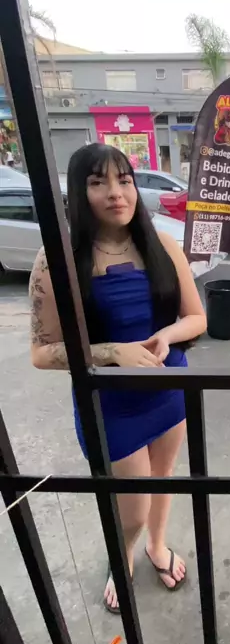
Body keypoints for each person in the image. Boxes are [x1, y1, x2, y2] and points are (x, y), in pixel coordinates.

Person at [29, 143, 206, 614]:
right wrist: (112, 353)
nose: (115, 192)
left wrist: (167, 335)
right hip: (110, 405)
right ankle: (123, 554)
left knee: (163, 480)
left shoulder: (162, 244)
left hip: (168, 387)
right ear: (78, 191)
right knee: (132, 508)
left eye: (124, 180)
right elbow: (41, 352)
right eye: (98, 182)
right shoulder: (56, 260)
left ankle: (157, 546)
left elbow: (197, 318)